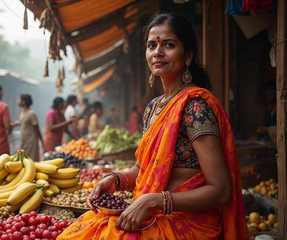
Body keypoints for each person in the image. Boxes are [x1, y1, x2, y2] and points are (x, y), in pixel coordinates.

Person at [57, 13, 248, 240]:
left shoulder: (196, 107)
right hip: (152, 214)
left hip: (187, 223)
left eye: (169, 45)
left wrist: (155, 200)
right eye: (151, 45)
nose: (158, 52)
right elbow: (142, 169)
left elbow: (222, 191)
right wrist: (114, 180)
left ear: (188, 55)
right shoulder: (153, 108)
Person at [15, 94, 44, 161]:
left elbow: (37, 129)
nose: (17, 101)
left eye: (19, 99)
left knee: (32, 161)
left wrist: (42, 142)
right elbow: (23, 123)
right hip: (24, 142)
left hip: (31, 143)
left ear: (23, 102)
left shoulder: (31, 113)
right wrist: (17, 123)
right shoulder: (22, 113)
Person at [256, 80, 276, 144]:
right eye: (267, 95)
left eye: (270, 94)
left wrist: (267, 130)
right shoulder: (270, 110)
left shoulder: (280, 111)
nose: (268, 98)